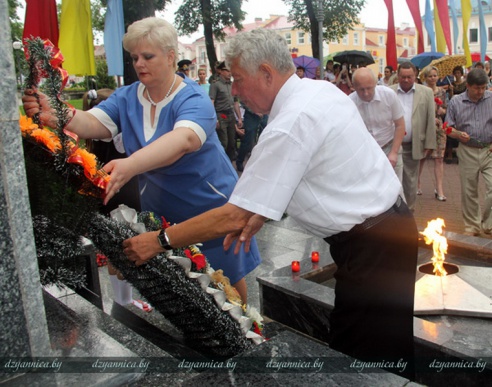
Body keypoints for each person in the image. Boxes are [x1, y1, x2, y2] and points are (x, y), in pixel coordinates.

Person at [122, 28, 418, 374]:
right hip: (389, 231)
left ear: (265, 73)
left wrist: (159, 241)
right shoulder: (318, 90)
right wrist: (259, 212)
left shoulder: (290, 123)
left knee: (362, 360)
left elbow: (232, 216)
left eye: (238, 79)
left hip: (373, 247)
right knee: (384, 346)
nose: (233, 90)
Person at [22, 17, 261, 303]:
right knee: (181, 285)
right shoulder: (126, 97)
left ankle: (245, 340)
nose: (139, 63)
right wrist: (58, 113)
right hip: (161, 208)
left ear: (171, 56)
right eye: (135, 57)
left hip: (208, 205)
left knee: (227, 283)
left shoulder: (194, 98)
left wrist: (129, 165)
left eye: (148, 56)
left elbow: (183, 140)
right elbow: (91, 123)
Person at [83, 88, 150, 312]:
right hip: (123, 193)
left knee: (116, 249)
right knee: (123, 248)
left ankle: (124, 299)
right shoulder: (114, 132)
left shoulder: (92, 134)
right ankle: (124, 300)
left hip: (107, 192)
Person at [446, 68, 492, 236]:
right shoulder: (456, 102)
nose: (480, 92)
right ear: (468, 86)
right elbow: (447, 127)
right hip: (467, 150)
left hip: (489, 150)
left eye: (483, 88)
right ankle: (472, 226)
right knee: (469, 190)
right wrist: (458, 134)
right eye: (477, 88)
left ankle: (488, 224)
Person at [390, 61, 436, 211]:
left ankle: (409, 211)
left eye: (409, 77)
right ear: (398, 76)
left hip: (413, 144)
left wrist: (430, 143)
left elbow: (430, 119)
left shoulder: (426, 92)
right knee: (393, 181)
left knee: (410, 182)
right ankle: (393, 213)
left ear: (415, 75)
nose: (406, 80)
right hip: (392, 146)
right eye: (403, 76)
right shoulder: (389, 92)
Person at [350, 68, 405, 184]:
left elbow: (400, 125)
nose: (366, 93)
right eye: (361, 90)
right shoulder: (350, 102)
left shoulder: (389, 95)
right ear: (354, 87)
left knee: (395, 186)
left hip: (390, 145)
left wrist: (394, 153)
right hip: (366, 150)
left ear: (375, 83)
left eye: (369, 88)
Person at [417, 66, 447, 201]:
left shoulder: (442, 92)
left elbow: (446, 108)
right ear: (425, 78)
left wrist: (442, 111)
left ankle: (439, 188)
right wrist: (430, 116)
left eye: (435, 75)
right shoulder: (421, 91)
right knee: (422, 156)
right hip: (425, 126)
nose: (433, 78)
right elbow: (418, 110)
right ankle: (417, 183)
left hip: (439, 127)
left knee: (439, 158)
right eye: (430, 76)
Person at [209, 60, 243, 161]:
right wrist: (215, 119)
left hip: (231, 115)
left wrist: (239, 118)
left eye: (230, 71)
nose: (229, 73)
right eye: (227, 71)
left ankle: (229, 164)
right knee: (224, 142)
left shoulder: (232, 85)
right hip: (221, 115)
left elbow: (235, 102)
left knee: (232, 143)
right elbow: (211, 102)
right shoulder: (215, 84)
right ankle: (219, 163)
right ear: (221, 71)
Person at [235, 106, 268, 172]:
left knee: (264, 138)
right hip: (251, 116)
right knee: (247, 140)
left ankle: (259, 162)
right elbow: (244, 101)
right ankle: (239, 161)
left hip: (264, 115)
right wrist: (255, 111)